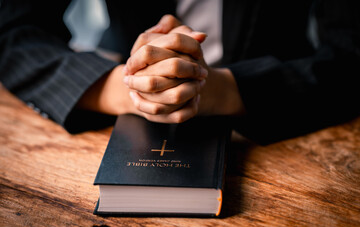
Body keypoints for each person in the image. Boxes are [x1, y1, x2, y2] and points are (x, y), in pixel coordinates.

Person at [0, 0, 359, 144]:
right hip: (122, 79)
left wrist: (218, 90)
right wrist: (133, 86)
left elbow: (351, 54)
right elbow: (12, 29)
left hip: (282, 96)